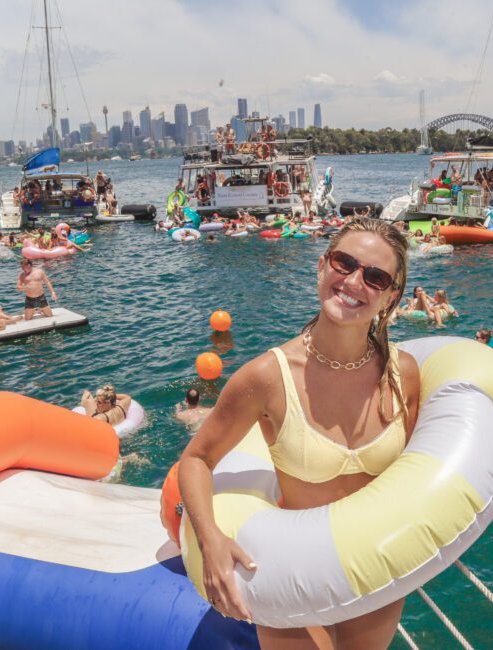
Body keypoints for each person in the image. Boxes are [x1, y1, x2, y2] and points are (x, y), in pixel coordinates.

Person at [179, 218, 421, 648]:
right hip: (292, 572)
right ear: (322, 266)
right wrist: (210, 537)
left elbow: (424, 461)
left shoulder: (402, 374)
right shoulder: (266, 377)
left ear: (390, 296)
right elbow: (197, 459)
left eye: (375, 276)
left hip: (376, 570)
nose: (353, 281)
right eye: (344, 262)